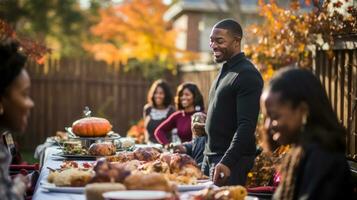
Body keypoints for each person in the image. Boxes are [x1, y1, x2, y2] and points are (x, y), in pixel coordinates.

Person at [261, 67, 353, 200]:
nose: (267, 126)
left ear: (303, 110)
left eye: (274, 116)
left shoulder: (322, 158)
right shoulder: (301, 151)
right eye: (266, 117)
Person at [198, 19, 263, 186]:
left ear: (236, 41)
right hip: (210, 156)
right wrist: (206, 125)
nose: (213, 45)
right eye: (211, 40)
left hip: (230, 161)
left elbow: (246, 126)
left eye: (219, 41)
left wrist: (227, 161)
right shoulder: (225, 69)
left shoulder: (247, 74)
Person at [0, 40, 35, 200]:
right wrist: (21, 184)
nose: (31, 103)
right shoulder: (5, 137)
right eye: (25, 94)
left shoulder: (6, 136)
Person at [143, 79, 175, 143]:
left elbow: (174, 134)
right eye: (155, 93)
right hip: (149, 147)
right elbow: (145, 130)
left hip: (165, 148)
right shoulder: (148, 109)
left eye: (161, 93)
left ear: (166, 95)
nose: (158, 96)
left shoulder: (172, 111)